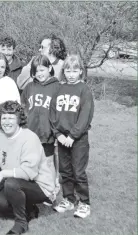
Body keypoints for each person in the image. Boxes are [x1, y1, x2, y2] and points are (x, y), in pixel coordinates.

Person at [0, 101, 56, 235]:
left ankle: (21, 223)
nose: (7, 122)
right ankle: (29, 209)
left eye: (11, 118)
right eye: (4, 118)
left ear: (19, 119)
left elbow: (28, 172)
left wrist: (2, 174)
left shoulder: (29, 138)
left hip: (39, 185)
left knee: (10, 183)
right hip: (15, 183)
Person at [50, 54, 94, 219]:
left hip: (78, 139)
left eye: (75, 70)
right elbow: (52, 113)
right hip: (62, 138)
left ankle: (84, 203)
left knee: (78, 172)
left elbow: (85, 116)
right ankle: (69, 199)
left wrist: (73, 136)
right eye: (68, 70)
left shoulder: (84, 90)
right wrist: (58, 134)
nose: (71, 74)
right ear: (64, 71)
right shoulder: (59, 88)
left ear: (81, 72)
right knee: (65, 171)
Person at [20, 54, 61, 197]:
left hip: (48, 134)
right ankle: (35, 190)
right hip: (31, 133)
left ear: (50, 68)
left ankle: (51, 191)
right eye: (36, 71)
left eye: (42, 70)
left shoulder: (57, 87)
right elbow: (23, 108)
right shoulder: (29, 87)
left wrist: (57, 132)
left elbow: (60, 112)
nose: (39, 73)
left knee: (48, 164)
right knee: (32, 162)